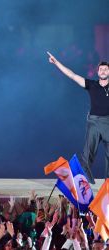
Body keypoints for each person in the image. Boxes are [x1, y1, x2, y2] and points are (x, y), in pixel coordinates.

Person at [47, 51, 109, 184]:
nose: (103, 71)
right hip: (94, 122)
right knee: (87, 155)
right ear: (98, 72)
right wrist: (57, 63)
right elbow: (72, 75)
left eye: (106, 69)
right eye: (101, 69)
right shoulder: (92, 85)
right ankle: (85, 180)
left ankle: (108, 183)